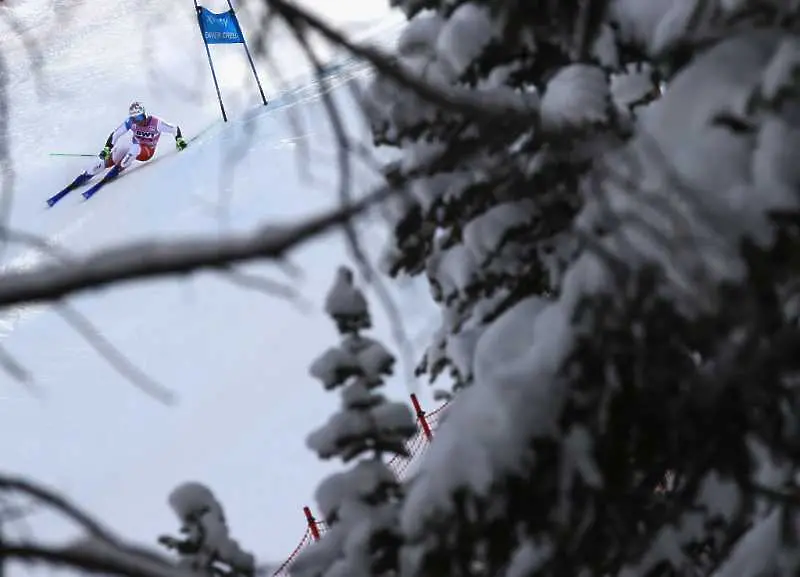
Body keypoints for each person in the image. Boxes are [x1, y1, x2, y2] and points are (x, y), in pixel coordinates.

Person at [56, 101, 188, 196]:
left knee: (134, 147)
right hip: (133, 146)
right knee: (122, 146)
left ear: (145, 114)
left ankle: (119, 168)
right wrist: (107, 148)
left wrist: (179, 140)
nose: (138, 121)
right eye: (135, 119)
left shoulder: (156, 123)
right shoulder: (130, 123)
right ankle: (90, 172)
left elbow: (174, 129)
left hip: (146, 151)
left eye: (140, 117)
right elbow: (116, 134)